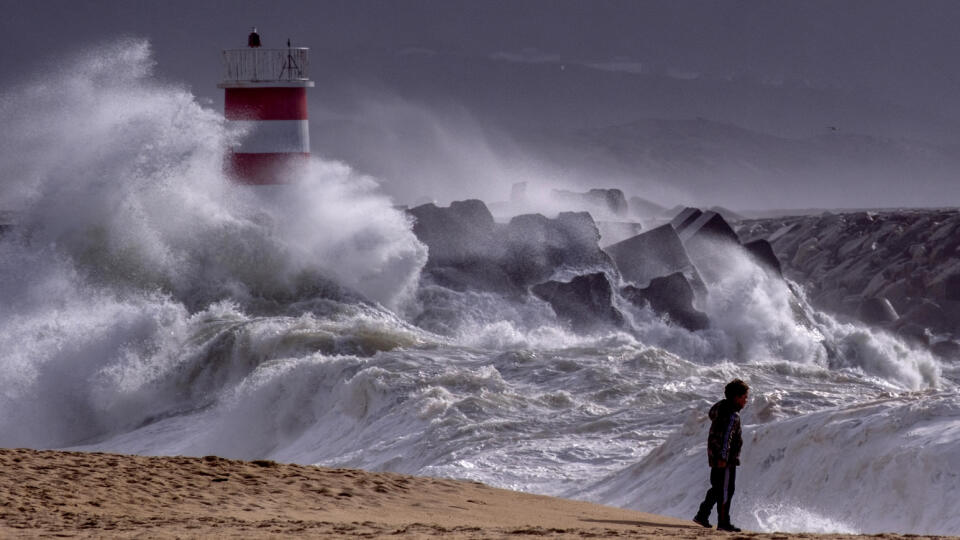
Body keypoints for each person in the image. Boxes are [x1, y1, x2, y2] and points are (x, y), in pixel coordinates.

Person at [693, 378, 749, 532]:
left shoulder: (720, 410)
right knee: (726, 490)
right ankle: (724, 522)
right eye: (745, 397)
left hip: (714, 456)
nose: (746, 401)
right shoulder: (732, 415)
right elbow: (726, 438)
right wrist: (724, 458)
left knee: (717, 488)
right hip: (725, 459)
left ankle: (702, 515)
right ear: (737, 397)